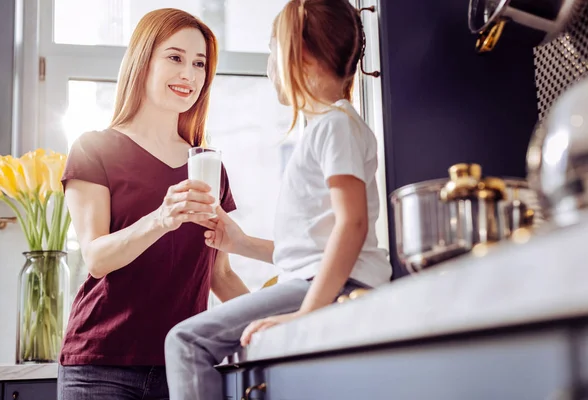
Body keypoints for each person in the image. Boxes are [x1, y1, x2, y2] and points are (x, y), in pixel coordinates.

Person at [164, 0, 392, 398]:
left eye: (273, 49)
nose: (270, 65)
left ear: (299, 54)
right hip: (328, 281)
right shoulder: (332, 126)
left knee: (186, 342)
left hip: (336, 286)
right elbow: (313, 247)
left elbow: (352, 224)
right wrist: (240, 243)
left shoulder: (334, 126)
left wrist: (306, 314)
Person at [58, 8, 249, 400]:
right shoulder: (94, 149)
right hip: (101, 365)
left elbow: (221, 276)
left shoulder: (208, 165)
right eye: (175, 57)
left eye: (200, 64)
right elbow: (96, 257)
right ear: (143, 61)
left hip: (185, 366)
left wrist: (288, 322)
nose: (190, 74)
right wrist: (161, 219)